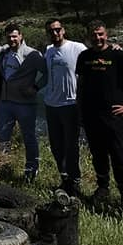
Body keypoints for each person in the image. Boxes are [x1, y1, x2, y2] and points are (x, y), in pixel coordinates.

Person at [76, 20, 123, 214]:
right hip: (90, 115)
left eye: (100, 34)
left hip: (113, 116)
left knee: (118, 155)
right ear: (88, 37)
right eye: (93, 35)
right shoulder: (84, 57)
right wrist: (79, 109)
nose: (97, 38)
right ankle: (103, 188)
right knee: (97, 153)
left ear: (106, 34)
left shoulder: (118, 55)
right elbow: (81, 85)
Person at [0, 24, 46, 183]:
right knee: (2, 137)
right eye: (9, 36)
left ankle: (31, 171)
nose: (12, 39)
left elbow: (47, 74)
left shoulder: (33, 54)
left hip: (25, 104)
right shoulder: (5, 52)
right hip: (5, 103)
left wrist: (35, 88)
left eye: (14, 36)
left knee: (29, 138)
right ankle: (3, 168)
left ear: (21, 36)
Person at [42, 19, 88, 195]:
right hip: (51, 104)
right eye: (51, 31)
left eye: (57, 29)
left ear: (63, 30)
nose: (55, 33)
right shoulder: (48, 51)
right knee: (56, 145)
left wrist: (114, 47)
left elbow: (95, 57)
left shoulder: (77, 48)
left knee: (71, 145)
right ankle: (64, 179)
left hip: (70, 104)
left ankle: (75, 181)